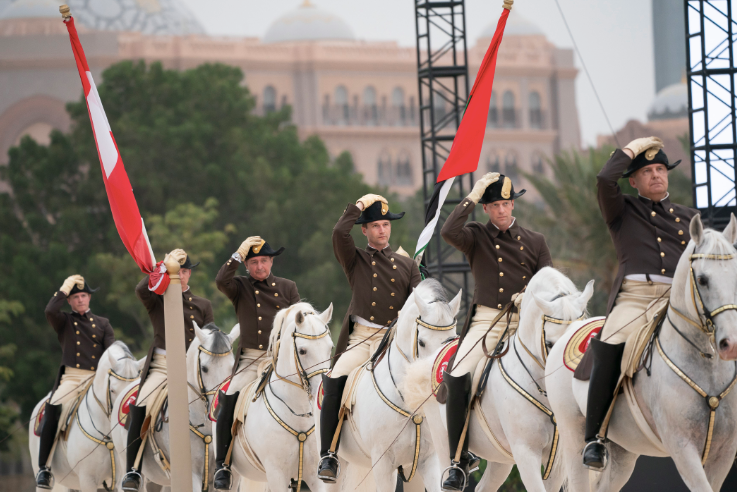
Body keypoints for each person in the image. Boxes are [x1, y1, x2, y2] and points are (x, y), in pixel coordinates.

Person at [582, 137, 696, 469]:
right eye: (647, 171)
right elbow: (605, 180)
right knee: (611, 343)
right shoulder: (621, 209)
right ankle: (596, 438)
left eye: (661, 169)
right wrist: (630, 149)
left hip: (678, 299)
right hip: (636, 299)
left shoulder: (689, 217)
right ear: (633, 181)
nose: (656, 175)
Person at [439, 173, 552, 490]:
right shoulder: (475, 235)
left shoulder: (535, 241)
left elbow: (549, 283)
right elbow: (448, 231)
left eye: (505, 203)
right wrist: (471, 196)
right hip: (487, 322)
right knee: (458, 373)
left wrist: (530, 297)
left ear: (513, 204)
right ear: (486, 209)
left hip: (526, 322)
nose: (501, 210)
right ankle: (459, 461)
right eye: (494, 205)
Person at [317, 194, 421, 483]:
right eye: (375, 225)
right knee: (336, 377)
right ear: (365, 230)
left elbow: (418, 304)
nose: (382, 230)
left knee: (433, 374)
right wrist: (358, 206)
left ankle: (453, 447)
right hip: (362, 340)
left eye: (386, 224)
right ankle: (328, 453)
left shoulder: (408, 264)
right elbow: (339, 232)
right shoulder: (355, 259)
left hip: (394, 341)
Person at [121, 249, 214, 491]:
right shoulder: (157, 299)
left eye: (184, 271)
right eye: (177, 271)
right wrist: (161, 265)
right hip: (162, 367)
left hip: (193, 367)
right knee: (141, 405)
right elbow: (141, 290)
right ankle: (133, 469)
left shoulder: (203, 305)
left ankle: (223, 462)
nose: (180, 276)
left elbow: (210, 337)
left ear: (189, 274)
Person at [212, 236, 300, 490]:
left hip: (279, 357)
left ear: (271, 261)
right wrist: (236, 255)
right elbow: (220, 280)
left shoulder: (288, 287)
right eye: (253, 263)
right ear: (246, 266)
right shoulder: (239, 286)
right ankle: (223, 465)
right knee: (228, 398)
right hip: (250, 360)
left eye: (263, 261)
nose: (259, 267)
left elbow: (296, 323)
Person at [36, 275, 115, 488]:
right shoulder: (64, 321)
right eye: (75, 297)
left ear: (89, 298)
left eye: (83, 296)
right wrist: (63, 289)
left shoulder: (103, 324)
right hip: (73, 378)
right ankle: (44, 468)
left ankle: (132, 464)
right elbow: (49, 311)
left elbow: (111, 353)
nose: (80, 300)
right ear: (69, 301)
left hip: (97, 378)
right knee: (53, 406)